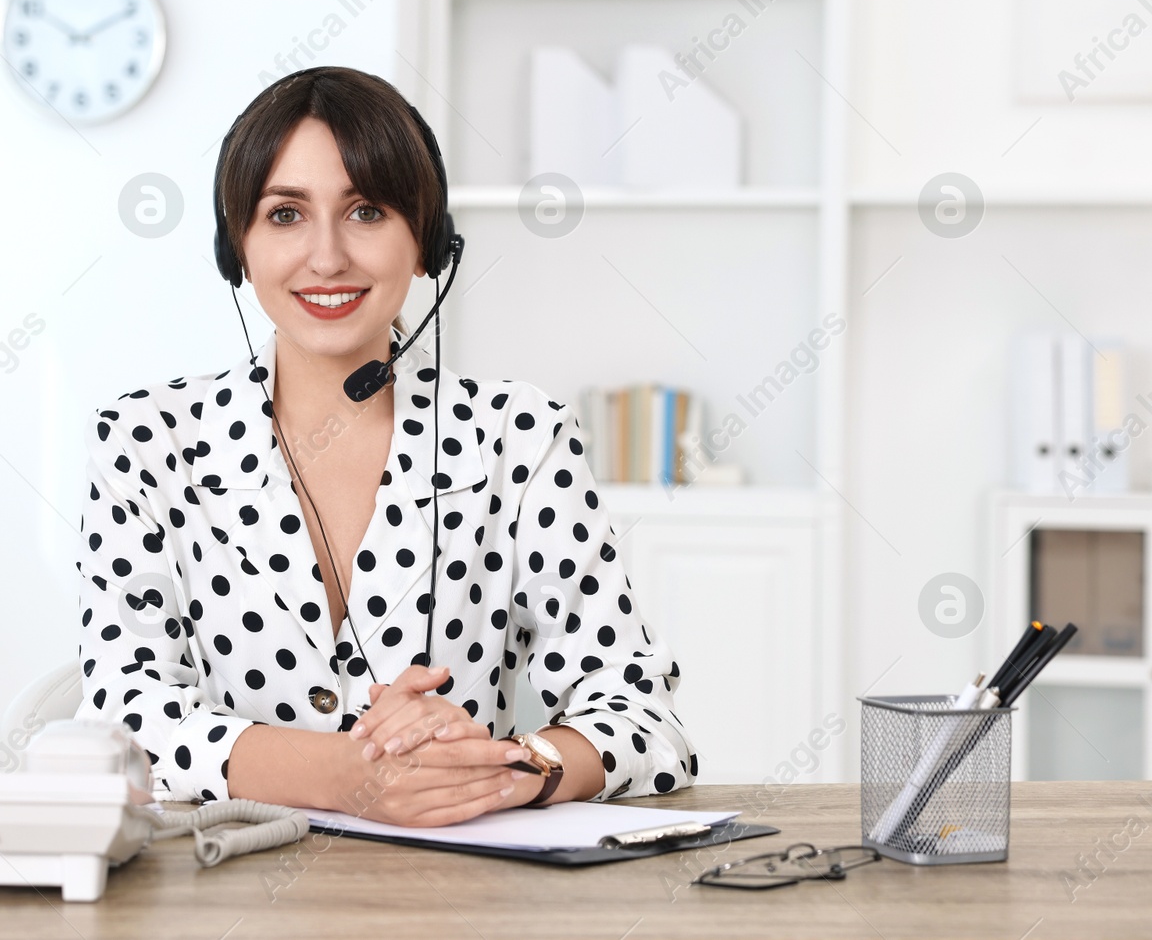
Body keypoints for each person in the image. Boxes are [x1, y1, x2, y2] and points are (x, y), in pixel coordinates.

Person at [76, 66, 696, 827]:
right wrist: (350, 774)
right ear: (235, 245)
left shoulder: (518, 435)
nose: (328, 257)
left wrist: (500, 770)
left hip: (454, 893)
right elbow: (123, 716)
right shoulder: (146, 440)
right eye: (285, 214)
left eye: (366, 210)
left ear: (428, 241)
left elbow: (644, 719)